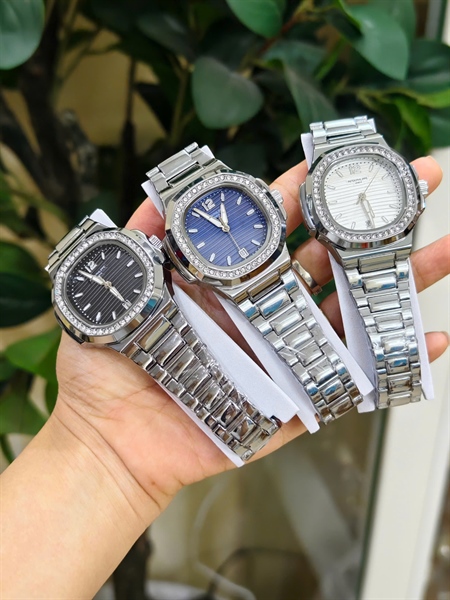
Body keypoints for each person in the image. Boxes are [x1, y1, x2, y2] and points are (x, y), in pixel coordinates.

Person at [1, 157, 448, 599]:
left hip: (256, 266)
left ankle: (326, 390)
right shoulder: (116, 307)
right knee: (198, 361)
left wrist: (98, 452)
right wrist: (97, 447)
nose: (110, 286)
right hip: (151, 329)